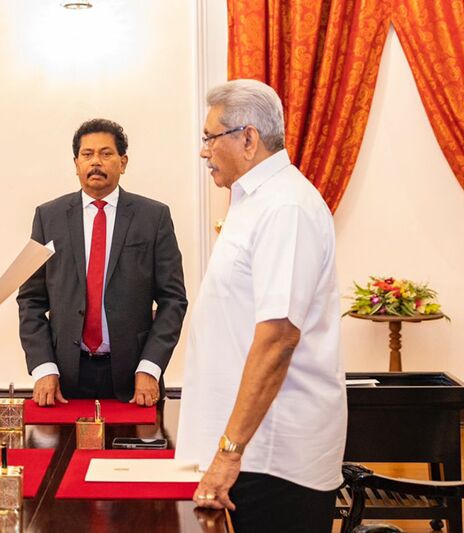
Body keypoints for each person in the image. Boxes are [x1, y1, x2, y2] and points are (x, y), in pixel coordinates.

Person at [175, 79, 346, 532]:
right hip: (252, 451)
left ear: (248, 138)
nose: (203, 151)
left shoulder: (285, 206)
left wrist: (229, 452)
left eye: (210, 138)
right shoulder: (253, 202)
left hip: (275, 458)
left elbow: (278, 338)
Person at [17, 118, 188, 407]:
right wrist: (44, 367)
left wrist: (150, 366)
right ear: (76, 164)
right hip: (65, 379)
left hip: (135, 380)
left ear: (123, 162)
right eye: (87, 154)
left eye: (106, 154)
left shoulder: (153, 217)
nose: (96, 161)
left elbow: (173, 300)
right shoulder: (49, 217)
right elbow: (31, 300)